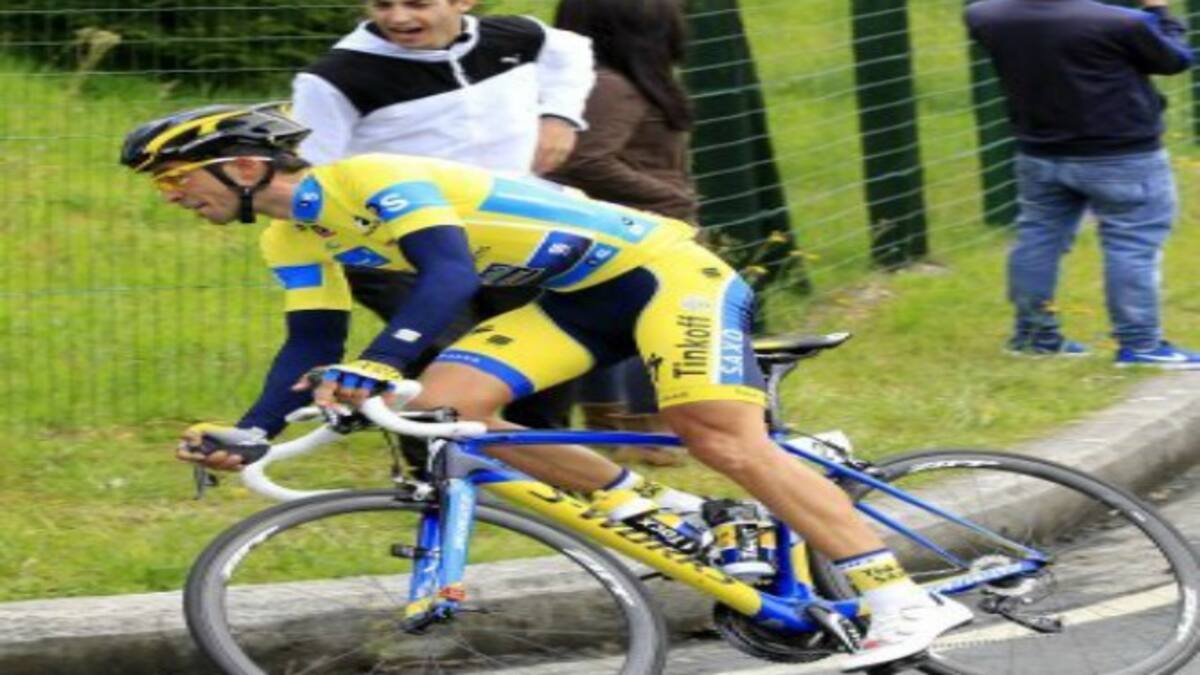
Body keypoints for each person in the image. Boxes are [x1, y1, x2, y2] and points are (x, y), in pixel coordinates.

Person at [120, 103, 973, 671]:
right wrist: (253, 430)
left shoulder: (369, 180)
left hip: (665, 273)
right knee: (445, 412)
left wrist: (377, 362)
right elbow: (310, 341)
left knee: (717, 434)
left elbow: (448, 275)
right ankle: (679, 516)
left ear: (240, 165)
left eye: (173, 179)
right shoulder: (290, 238)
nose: (172, 198)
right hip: (578, 299)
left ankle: (897, 599)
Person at [290, 0, 597, 426]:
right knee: (443, 363)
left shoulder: (519, 36)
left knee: (546, 352)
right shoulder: (333, 78)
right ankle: (435, 463)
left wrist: (560, 116)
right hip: (401, 246)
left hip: (512, 228)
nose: (398, 17)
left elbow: (572, 50)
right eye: (382, 4)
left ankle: (542, 451)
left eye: (417, 3)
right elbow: (309, 172)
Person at [966, 0, 1200, 367]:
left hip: (1039, 151)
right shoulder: (1123, 23)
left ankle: (1033, 337)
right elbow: (1175, 59)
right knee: (1132, 244)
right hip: (1122, 154)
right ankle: (1140, 344)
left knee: (1038, 238)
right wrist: (1160, 11)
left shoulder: (984, 15)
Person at [546, 0, 699, 465]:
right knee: (653, 323)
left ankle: (611, 426)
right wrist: (668, 198)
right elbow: (584, 160)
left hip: (625, 224)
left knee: (613, 320)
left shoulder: (608, 81)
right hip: (639, 227)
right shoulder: (613, 86)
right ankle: (647, 431)